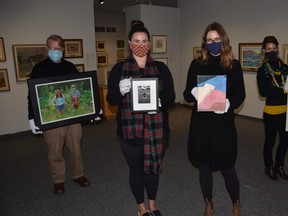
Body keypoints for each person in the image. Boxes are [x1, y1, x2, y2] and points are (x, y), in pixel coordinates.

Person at [106, 20, 175, 216]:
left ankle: (152, 205)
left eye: (145, 41)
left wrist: (160, 103)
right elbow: (111, 100)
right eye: (136, 40)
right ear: (129, 42)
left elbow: (171, 96)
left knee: (153, 169)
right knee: (136, 170)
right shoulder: (119, 69)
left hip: (157, 130)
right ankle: (141, 207)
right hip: (130, 131)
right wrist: (120, 91)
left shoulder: (161, 68)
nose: (141, 44)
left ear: (150, 44)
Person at [183, 22, 245, 216]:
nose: (213, 43)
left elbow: (240, 95)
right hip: (201, 125)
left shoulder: (233, 66)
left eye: (217, 40)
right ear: (204, 43)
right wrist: (194, 92)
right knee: (204, 167)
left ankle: (236, 203)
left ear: (224, 41)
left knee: (228, 168)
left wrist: (228, 103)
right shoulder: (197, 63)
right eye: (209, 40)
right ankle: (208, 203)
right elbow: (186, 93)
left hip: (223, 124)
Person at [27, 34, 91, 194]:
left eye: (59, 49)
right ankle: (59, 180)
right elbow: (32, 95)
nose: (56, 51)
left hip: (72, 116)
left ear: (63, 50)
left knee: (76, 147)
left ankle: (79, 175)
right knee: (55, 150)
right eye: (52, 48)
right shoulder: (39, 69)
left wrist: (91, 108)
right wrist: (32, 117)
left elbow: (80, 91)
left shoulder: (70, 66)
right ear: (47, 49)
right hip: (52, 119)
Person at [256, 35, 288, 181]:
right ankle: (268, 165)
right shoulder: (262, 70)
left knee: (285, 141)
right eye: (269, 49)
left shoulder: (285, 69)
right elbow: (264, 92)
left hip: (286, 112)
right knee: (270, 141)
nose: (272, 51)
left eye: (274, 49)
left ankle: (279, 165)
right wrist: (283, 90)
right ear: (264, 51)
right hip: (271, 112)